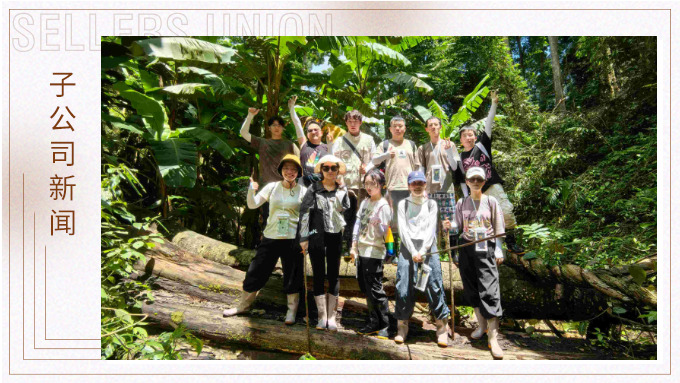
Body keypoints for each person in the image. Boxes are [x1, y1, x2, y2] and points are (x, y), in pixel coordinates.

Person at [223, 155, 307, 326]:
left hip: (292, 239)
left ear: (298, 172)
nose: (289, 172)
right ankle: (243, 306)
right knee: (256, 270)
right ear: (281, 171)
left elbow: (308, 217)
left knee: (293, 275)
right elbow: (253, 205)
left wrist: (306, 239)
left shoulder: (303, 191)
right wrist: (251, 190)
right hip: (271, 236)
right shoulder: (272, 187)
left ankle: (291, 311)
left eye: (293, 169)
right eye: (286, 168)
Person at [457, 91, 524, 255]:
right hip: (475, 192)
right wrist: (467, 198)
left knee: (506, 212)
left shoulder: (482, 147)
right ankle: (491, 248)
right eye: (464, 135)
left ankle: (511, 242)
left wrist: (494, 103)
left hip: (492, 185)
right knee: (483, 221)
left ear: (475, 136)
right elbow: (460, 180)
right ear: (460, 140)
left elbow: (488, 124)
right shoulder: (459, 158)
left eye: (471, 134)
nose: (468, 137)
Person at [452, 166, 506, 359]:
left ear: (484, 182)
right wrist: (449, 225)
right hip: (467, 247)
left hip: (486, 247)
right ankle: (481, 326)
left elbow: (499, 226)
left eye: (479, 179)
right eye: (472, 179)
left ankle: (493, 337)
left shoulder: (491, 201)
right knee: (471, 287)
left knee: (489, 289)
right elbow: (458, 224)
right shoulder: (462, 202)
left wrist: (498, 248)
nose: (475, 182)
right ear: (467, 181)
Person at [394, 171, 451, 347]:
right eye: (414, 183)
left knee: (434, 283)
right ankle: (402, 325)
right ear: (409, 186)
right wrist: (413, 251)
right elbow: (402, 230)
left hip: (428, 246)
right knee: (403, 284)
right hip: (407, 246)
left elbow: (431, 229)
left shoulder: (432, 204)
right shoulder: (402, 204)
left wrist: (423, 250)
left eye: (420, 183)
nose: (417, 186)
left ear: (425, 184)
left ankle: (442, 327)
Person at [240, 101, 304, 246]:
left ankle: (283, 253)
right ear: (269, 128)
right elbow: (243, 133)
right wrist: (250, 116)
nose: (276, 128)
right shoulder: (262, 142)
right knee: (269, 221)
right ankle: (269, 252)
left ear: (282, 127)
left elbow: (300, 162)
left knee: (287, 222)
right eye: (273, 125)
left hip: (286, 189)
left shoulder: (289, 144)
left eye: (279, 125)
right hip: (266, 191)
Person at [299, 155, 350, 331]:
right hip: (316, 234)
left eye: (333, 168)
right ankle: (321, 317)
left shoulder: (343, 191)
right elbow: (304, 213)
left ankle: (332, 317)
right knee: (319, 273)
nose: (329, 171)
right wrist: (304, 238)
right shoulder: (313, 189)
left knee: (334, 274)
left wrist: (350, 244)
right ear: (321, 171)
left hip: (335, 235)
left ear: (337, 171)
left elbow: (347, 215)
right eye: (326, 168)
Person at [349, 169, 392, 339]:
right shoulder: (366, 202)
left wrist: (379, 223)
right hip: (362, 250)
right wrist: (353, 246)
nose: (369, 187)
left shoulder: (383, 206)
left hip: (374, 252)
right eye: (366, 183)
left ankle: (386, 325)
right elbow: (358, 225)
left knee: (376, 289)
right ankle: (374, 322)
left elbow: (385, 231)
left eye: (373, 184)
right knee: (366, 288)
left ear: (381, 185)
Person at [328, 110, 376, 254]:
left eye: (356, 121)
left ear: (360, 123)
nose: (353, 124)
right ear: (346, 123)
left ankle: (361, 246)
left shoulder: (369, 139)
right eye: (350, 121)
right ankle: (346, 247)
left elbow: (375, 159)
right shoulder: (340, 141)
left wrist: (367, 167)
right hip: (346, 186)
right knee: (346, 217)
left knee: (363, 217)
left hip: (364, 187)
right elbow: (333, 160)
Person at [371, 116, 420, 260]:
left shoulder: (411, 144)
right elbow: (374, 161)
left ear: (405, 128)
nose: (398, 128)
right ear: (390, 129)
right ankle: (391, 253)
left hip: (409, 189)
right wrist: (386, 154)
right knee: (389, 224)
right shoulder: (385, 144)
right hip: (391, 189)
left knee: (408, 222)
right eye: (395, 126)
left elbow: (418, 167)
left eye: (400, 126)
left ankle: (406, 252)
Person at [289, 97, 330, 187]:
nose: (313, 132)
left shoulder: (328, 147)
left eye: (316, 130)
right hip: (303, 186)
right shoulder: (304, 144)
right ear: (307, 134)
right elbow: (297, 123)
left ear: (321, 133)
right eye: (310, 131)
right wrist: (291, 108)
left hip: (321, 187)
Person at [417, 116, 460, 195]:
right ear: (426, 129)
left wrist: (449, 152)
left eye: (436, 124)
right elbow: (421, 170)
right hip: (429, 190)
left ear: (440, 127)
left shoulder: (450, 144)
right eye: (430, 125)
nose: (433, 127)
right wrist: (421, 189)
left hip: (447, 189)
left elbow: (454, 167)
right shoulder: (422, 148)